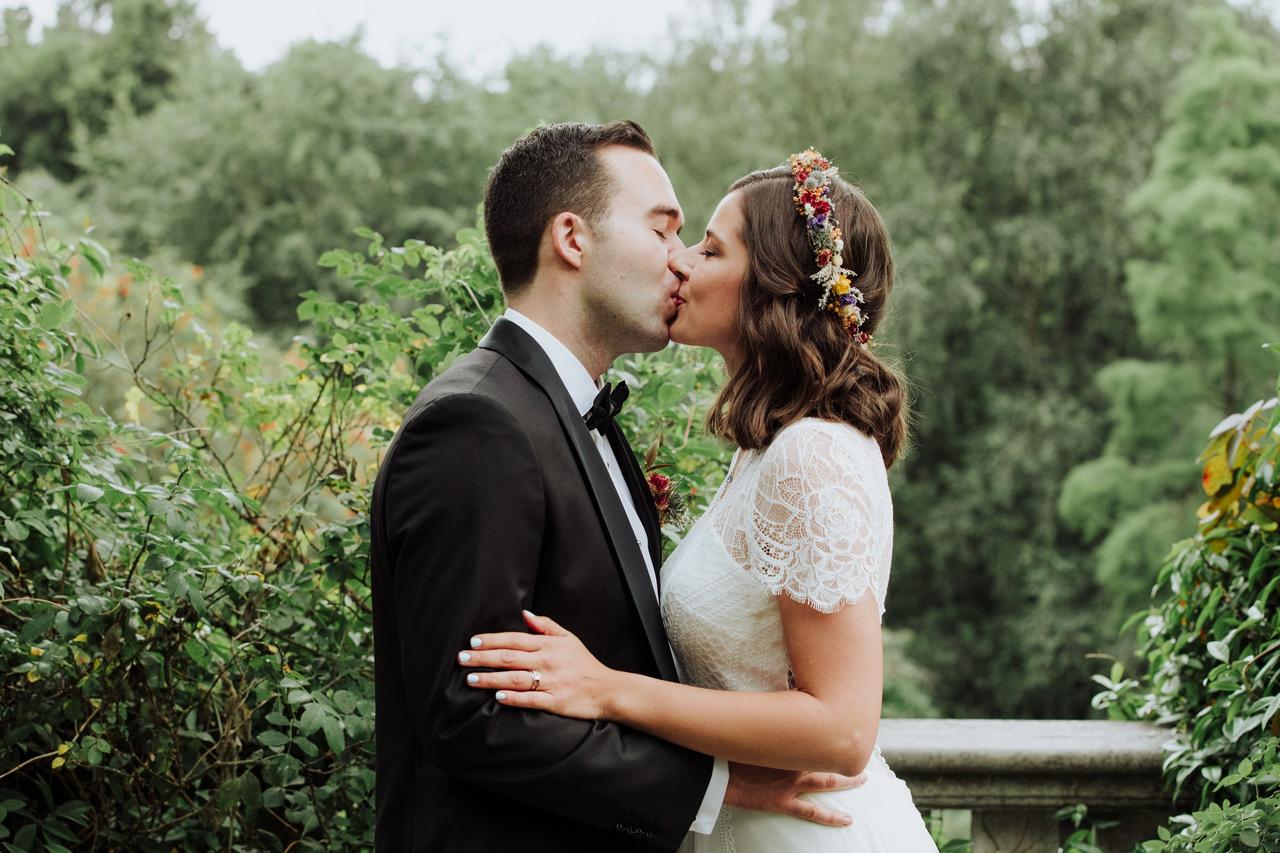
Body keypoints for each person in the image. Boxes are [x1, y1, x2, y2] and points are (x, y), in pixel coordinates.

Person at [369, 123, 862, 853]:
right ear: (572, 238)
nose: (681, 261)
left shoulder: (572, 413)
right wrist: (713, 786)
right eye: (662, 229)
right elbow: (471, 716)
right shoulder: (477, 423)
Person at [458, 149, 939, 851]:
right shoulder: (767, 447)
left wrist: (607, 688)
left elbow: (842, 728)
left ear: (772, 285)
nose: (680, 262)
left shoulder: (814, 453)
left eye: (710, 249)